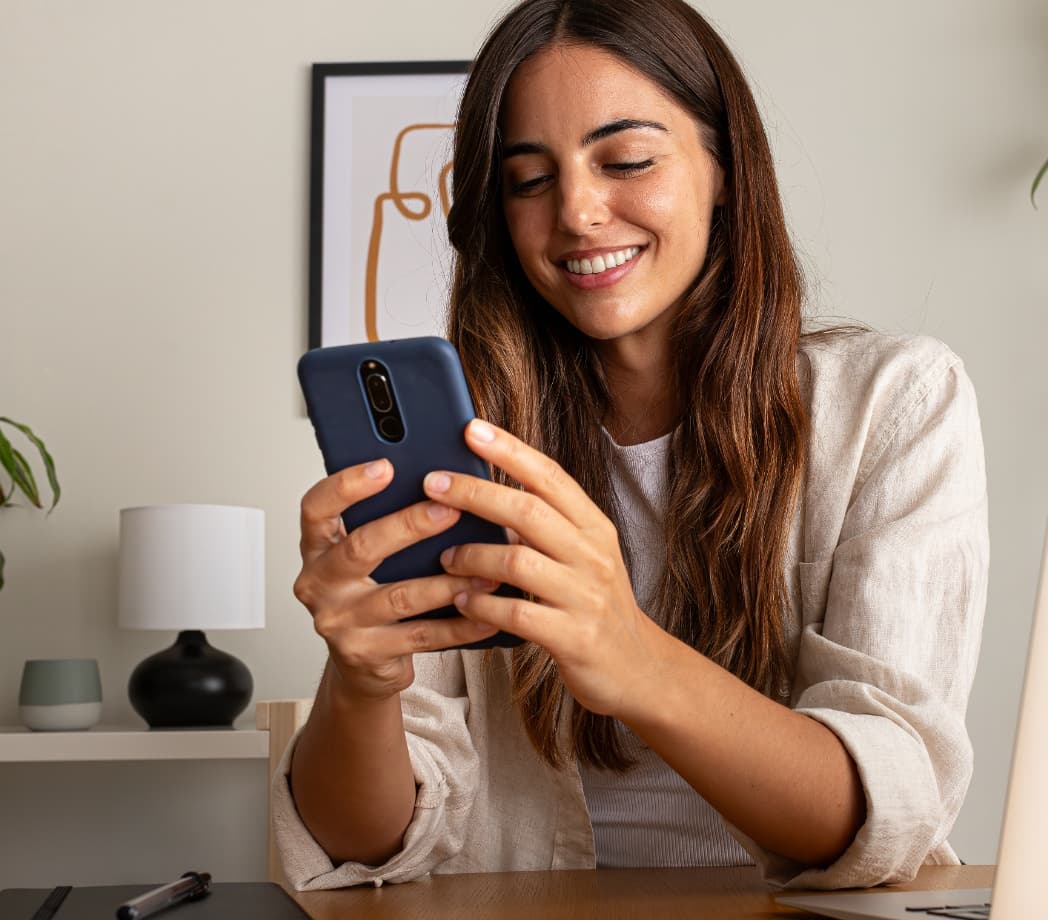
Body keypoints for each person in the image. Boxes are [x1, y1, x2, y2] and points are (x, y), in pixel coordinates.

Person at [275, 0, 988, 892]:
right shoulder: (467, 445)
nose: (576, 212)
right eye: (528, 180)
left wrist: (632, 656)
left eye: (627, 161)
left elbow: (885, 805)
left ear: (723, 168)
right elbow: (363, 847)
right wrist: (362, 681)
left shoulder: (893, 403)